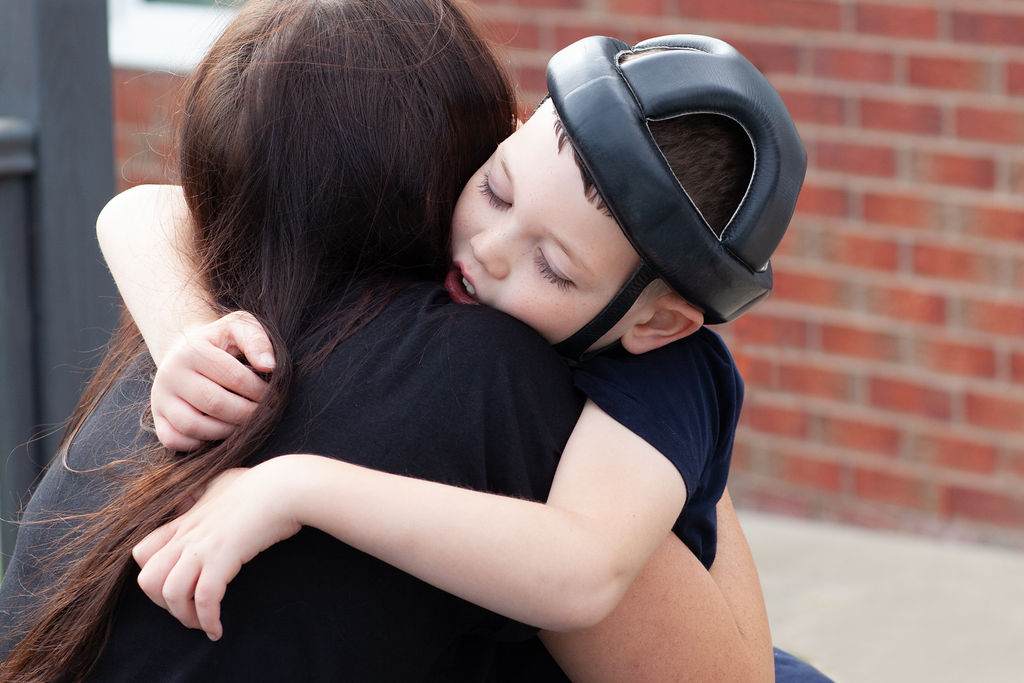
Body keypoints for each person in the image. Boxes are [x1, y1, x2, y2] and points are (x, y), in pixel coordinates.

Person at [0, 1, 777, 681]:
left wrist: (295, 483)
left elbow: (583, 570)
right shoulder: (473, 351)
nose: (492, 249)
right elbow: (144, 211)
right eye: (496, 187)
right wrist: (191, 340)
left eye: (551, 262)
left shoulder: (644, 379)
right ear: (487, 145)